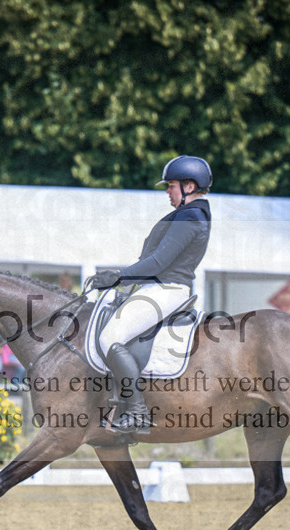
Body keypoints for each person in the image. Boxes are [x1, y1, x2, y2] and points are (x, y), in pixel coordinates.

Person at [93, 155, 213, 433]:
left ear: (190, 186)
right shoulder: (187, 214)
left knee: (109, 337)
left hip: (167, 288)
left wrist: (118, 276)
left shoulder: (191, 216)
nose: (168, 192)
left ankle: (136, 412)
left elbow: (159, 262)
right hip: (157, 286)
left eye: (171, 186)